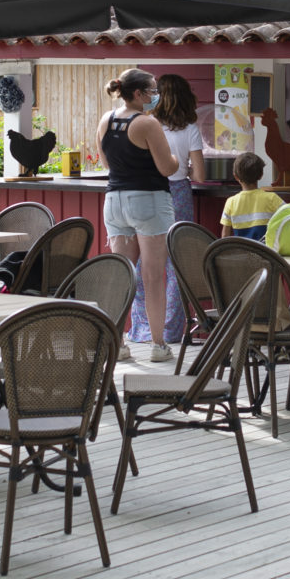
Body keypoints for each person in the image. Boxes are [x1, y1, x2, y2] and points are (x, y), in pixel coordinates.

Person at [97, 67, 180, 363]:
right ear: (138, 94)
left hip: (114, 201)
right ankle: (158, 346)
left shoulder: (106, 120)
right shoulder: (147, 123)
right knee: (153, 276)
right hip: (148, 200)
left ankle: (117, 343)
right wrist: (176, 158)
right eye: (152, 91)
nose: (156, 95)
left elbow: (107, 163)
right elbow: (167, 168)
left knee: (121, 275)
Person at [130, 73, 206, 352]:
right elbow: (199, 173)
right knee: (177, 264)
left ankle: (142, 328)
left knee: (144, 264)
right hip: (180, 195)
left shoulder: (146, 125)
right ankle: (170, 331)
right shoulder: (191, 128)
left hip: (150, 193)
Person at [220, 152, 282, 240]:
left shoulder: (231, 202)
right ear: (261, 175)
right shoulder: (272, 198)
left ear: (236, 177)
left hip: (241, 251)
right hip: (265, 252)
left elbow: (225, 235)